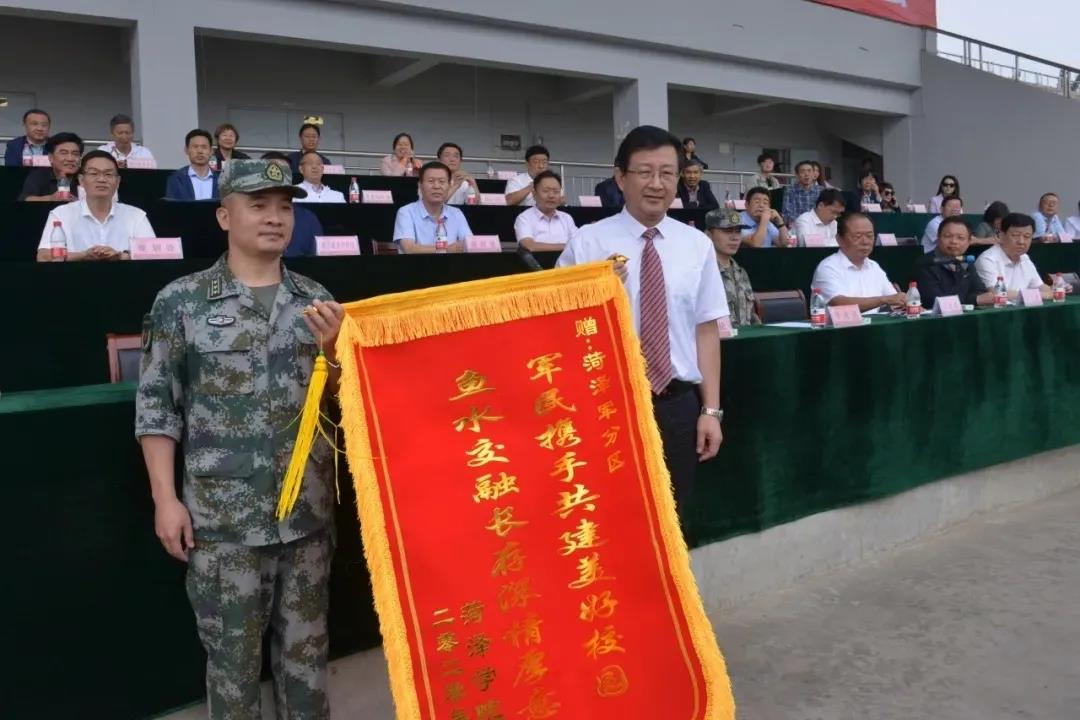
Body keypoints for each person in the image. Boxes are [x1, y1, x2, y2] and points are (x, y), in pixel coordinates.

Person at [136, 158, 343, 720]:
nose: (275, 218)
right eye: (259, 205)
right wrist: (165, 499)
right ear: (225, 216)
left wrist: (334, 354)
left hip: (306, 520)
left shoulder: (316, 301)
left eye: (285, 207)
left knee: (307, 661)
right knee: (232, 669)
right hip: (224, 526)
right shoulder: (182, 301)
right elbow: (156, 408)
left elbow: (341, 404)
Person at [556, 125, 727, 523]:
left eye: (667, 173)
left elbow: (706, 329)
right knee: (610, 519)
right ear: (620, 178)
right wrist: (592, 292)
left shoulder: (696, 245)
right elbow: (559, 326)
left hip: (677, 405)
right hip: (607, 405)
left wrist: (711, 410)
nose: (656, 184)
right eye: (645, 172)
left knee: (672, 520)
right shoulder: (587, 243)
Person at [35, 150, 154, 262]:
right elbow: (43, 256)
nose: (101, 179)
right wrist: (83, 255)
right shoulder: (61, 214)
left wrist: (120, 256)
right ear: (81, 180)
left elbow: (153, 254)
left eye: (108, 174)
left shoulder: (136, 216)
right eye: (94, 173)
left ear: (118, 182)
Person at [811, 212, 905, 311]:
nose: (865, 242)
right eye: (857, 236)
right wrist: (884, 300)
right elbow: (838, 303)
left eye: (869, 236)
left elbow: (894, 299)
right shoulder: (828, 267)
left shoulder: (874, 266)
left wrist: (904, 302)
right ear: (839, 239)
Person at [975, 213, 1065, 300]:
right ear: (1000, 236)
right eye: (1015, 235)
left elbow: (1040, 286)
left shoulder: (1024, 258)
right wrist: (1040, 295)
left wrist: (1054, 290)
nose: (1021, 241)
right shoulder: (988, 259)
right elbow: (997, 293)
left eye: (1027, 236)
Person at [911, 217, 995, 308]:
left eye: (960, 238)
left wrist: (975, 299)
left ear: (969, 242)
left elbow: (981, 292)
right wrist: (974, 300)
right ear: (938, 238)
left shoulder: (966, 261)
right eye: (948, 236)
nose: (954, 241)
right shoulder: (925, 263)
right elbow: (935, 301)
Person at [393, 161, 473, 253]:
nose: (436, 186)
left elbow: (470, 244)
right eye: (431, 181)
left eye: (442, 181)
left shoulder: (456, 213)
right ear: (420, 185)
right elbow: (409, 248)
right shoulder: (406, 212)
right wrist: (447, 249)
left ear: (449, 185)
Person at [262, 152, 323, 257]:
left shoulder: (308, 220)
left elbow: (317, 261)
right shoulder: (243, 215)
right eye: (272, 169)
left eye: (284, 171)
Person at [706, 209, 760, 327]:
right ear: (709, 235)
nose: (735, 238)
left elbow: (750, 315)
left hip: (744, 338)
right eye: (727, 231)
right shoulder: (702, 273)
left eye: (738, 231)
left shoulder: (741, 273)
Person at [514, 170, 577, 252]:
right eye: (545, 191)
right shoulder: (524, 218)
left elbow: (578, 243)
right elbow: (529, 246)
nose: (551, 196)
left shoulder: (566, 218)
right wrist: (568, 246)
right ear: (534, 194)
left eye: (556, 192)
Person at [19, 132, 82, 202]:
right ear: (50, 157)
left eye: (75, 154)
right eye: (64, 153)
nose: (70, 159)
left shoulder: (85, 176)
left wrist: (78, 203)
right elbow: (24, 199)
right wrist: (50, 198)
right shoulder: (39, 175)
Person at [166, 130, 219, 201]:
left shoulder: (221, 179)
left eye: (204, 147)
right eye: (195, 147)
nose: (200, 151)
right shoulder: (176, 179)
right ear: (186, 150)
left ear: (211, 151)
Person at [780, 160, 822, 225]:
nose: (806, 174)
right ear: (797, 175)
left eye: (809, 171)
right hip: (797, 226)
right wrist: (803, 223)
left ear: (814, 174)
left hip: (817, 226)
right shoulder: (790, 190)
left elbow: (824, 213)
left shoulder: (821, 191)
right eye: (802, 171)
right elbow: (787, 214)